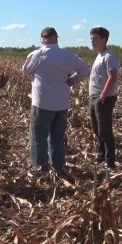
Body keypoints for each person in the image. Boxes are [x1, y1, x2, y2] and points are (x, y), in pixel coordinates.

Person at [22, 27, 89, 173]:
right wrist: (73, 80)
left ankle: (40, 169)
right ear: (56, 38)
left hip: (42, 104)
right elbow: (85, 69)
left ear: (41, 39)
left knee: (38, 138)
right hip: (61, 104)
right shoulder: (68, 56)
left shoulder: (37, 55)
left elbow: (25, 71)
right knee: (57, 138)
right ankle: (58, 167)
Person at [89, 26, 119, 169]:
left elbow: (112, 77)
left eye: (95, 39)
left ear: (104, 39)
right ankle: (101, 155)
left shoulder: (109, 56)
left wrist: (102, 96)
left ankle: (109, 161)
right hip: (94, 97)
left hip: (104, 98)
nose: (92, 41)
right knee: (97, 129)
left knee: (105, 130)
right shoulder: (99, 55)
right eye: (91, 39)